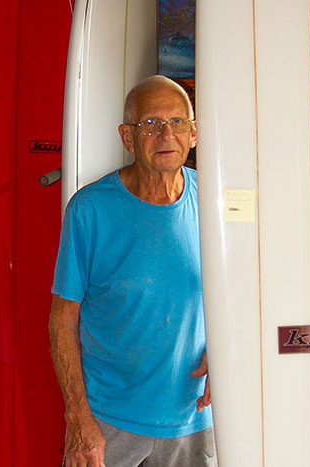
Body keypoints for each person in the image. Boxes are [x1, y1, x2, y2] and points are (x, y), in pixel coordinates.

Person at [49, 75, 215, 467]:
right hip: (109, 424)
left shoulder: (217, 204)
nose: (165, 134)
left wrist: (224, 351)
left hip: (195, 420)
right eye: (150, 124)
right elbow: (62, 320)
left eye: (176, 123)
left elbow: (246, 292)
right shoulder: (89, 210)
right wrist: (78, 418)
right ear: (128, 136)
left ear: (193, 134)